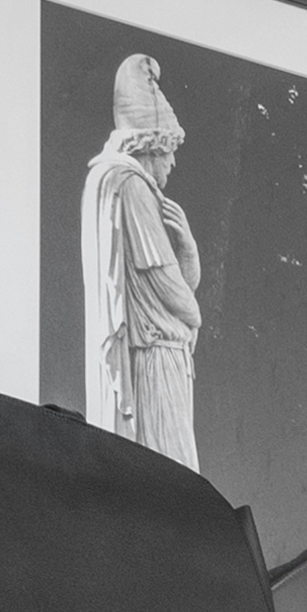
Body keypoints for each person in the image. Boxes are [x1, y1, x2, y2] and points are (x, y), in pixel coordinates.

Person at [77, 49, 204, 464]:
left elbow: (168, 276)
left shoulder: (113, 180)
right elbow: (168, 285)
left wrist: (186, 246)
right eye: (169, 151)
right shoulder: (131, 186)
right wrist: (193, 312)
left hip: (156, 351)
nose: (172, 162)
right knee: (171, 471)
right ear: (151, 146)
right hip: (153, 358)